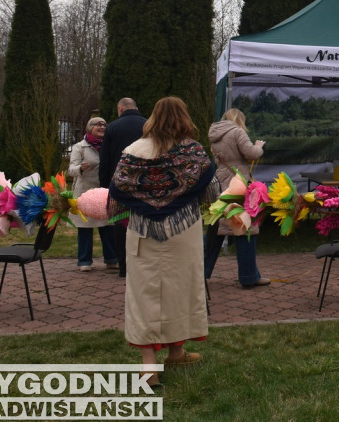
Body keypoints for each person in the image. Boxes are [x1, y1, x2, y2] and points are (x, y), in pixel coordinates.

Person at [109, 96, 215, 388]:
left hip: (143, 232)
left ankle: (152, 366)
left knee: (144, 295)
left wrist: (143, 203)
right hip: (183, 230)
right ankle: (174, 352)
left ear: (153, 117)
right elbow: (210, 192)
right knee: (180, 290)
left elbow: (117, 191)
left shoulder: (132, 151)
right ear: (184, 117)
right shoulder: (193, 151)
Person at [204, 108, 269, 289]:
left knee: (215, 228)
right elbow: (251, 153)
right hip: (238, 180)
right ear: (239, 119)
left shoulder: (214, 134)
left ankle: (201, 273)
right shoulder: (237, 132)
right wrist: (259, 146)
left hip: (221, 179)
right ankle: (249, 276)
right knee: (245, 227)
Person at [100, 98, 146, 278]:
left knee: (120, 223)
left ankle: (123, 266)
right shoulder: (147, 125)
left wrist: (104, 185)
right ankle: (141, 263)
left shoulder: (112, 127)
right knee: (142, 220)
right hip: (144, 181)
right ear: (136, 107)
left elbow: (105, 159)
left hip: (119, 182)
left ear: (120, 109)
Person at [66, 117, 118, 272]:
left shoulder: (109, 145)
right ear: (90, 128)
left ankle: (111, 260)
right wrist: (80, 168)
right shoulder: (80, 147)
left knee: (107, 226)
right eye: (98, 125)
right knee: (85, 227)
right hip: (85, 192)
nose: (102, 127)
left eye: (104, 124)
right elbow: (71, 170)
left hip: (104, 191)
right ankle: (84, 262)